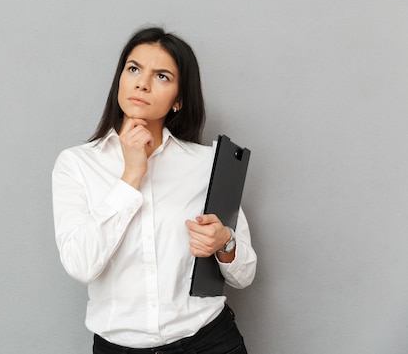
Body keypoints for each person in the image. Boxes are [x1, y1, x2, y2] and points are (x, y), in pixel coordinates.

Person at [52, 27, 257, 354]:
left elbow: (244, 274)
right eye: (133, 69)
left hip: (208, 343)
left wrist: (225, 242)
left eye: (161, 76)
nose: (142, 83)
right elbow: (80, 264)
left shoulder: (205, 164)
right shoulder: (76, 164)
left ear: (178, 99)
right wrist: (131, 175)